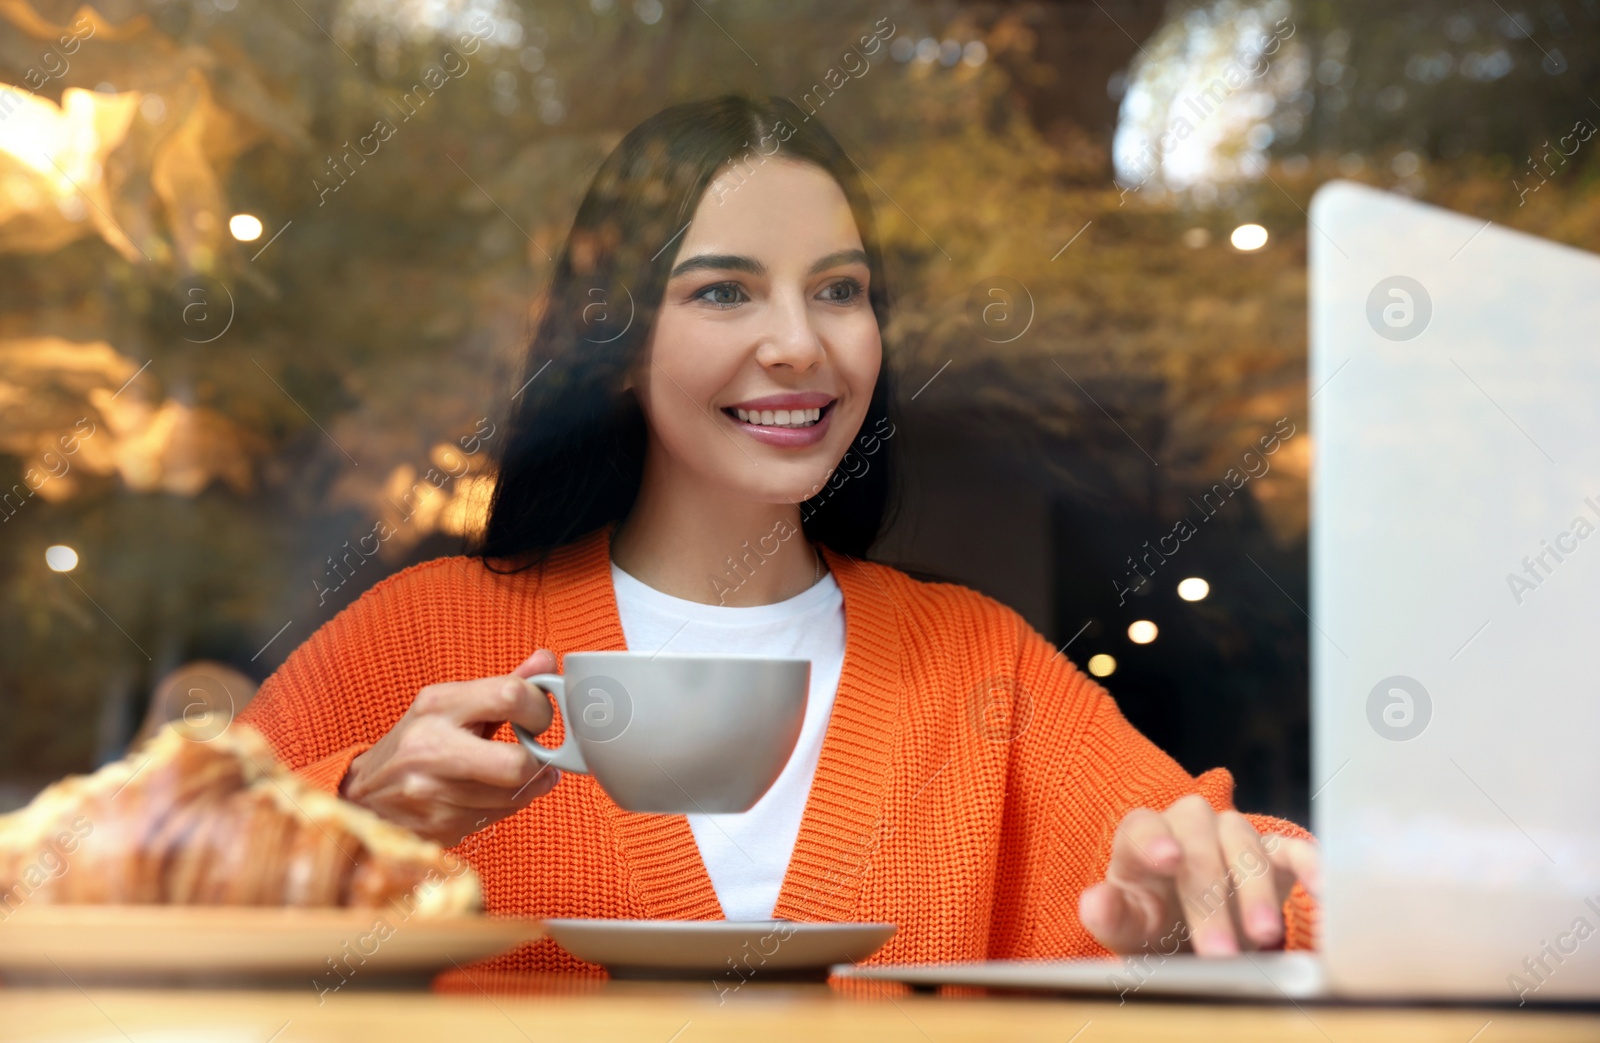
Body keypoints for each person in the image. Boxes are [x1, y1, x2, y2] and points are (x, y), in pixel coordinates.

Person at [238, 94, 1318, 973]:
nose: (799, 343)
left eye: (838, 291)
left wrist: (1222, 890)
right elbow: (95, 878)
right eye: (724, 292)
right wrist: (350, 817)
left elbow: (1273, 892)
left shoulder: (974, 663)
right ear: (612, 341)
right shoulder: (421, 634)